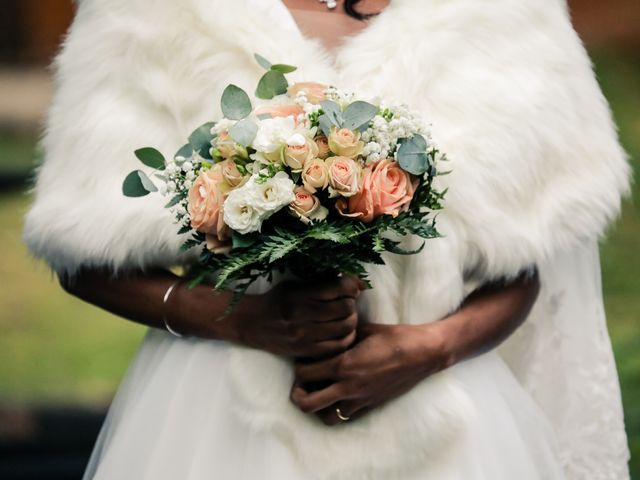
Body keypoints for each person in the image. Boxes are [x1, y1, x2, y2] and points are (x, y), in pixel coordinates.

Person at [23, 0, 631, 478]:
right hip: (226, 419)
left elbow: (530, 260)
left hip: (442, 416)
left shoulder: (506, 14)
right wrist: (244, 322)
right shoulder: (150, 12)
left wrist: (432, 347)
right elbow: (84, 254)